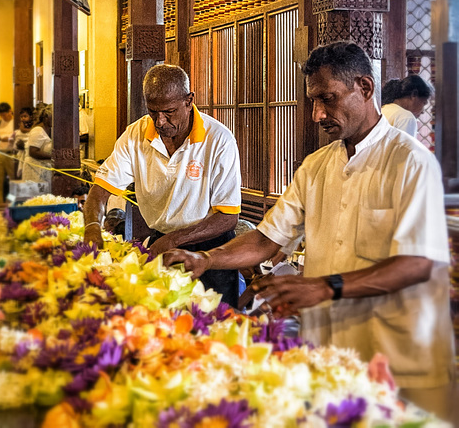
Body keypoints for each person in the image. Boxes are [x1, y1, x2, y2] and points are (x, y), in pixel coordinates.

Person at [164, 42, 454, 420]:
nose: (317, 114)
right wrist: (206, 258)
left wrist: (324, 285)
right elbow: (267, 239)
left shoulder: (411, 163)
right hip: (331, 354)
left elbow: (417, 264)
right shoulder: (317, 167)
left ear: (364, 88)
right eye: (313, 102)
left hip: (397, 357)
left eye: (327, 99)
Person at [84, 64, 242, 307]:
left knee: (215, 323)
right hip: (162, 242)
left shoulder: (219, 140)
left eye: (169, 111)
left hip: (210, 250)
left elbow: (228, 217)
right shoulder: (135, 135)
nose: (160, 121)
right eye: (152, 111)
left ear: (189, 101)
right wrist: (92, 226)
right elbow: (101, 189)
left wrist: (175, 240)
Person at [22, 105, 53, 192]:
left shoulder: (49, 129)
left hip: (43, 169)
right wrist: (52, 156)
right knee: (35, 195)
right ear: (46, 117)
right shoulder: (38, 130)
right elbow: (33, 151)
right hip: (35, 169)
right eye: (53, 117)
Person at [11, 107, 34, 179]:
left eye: (25, 116)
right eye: (21, 117)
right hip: (22, 142)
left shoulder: (33, 123)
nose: (23, 118)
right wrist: (32, 131)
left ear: (31, 117)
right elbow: (22, 130)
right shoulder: (22, 123)